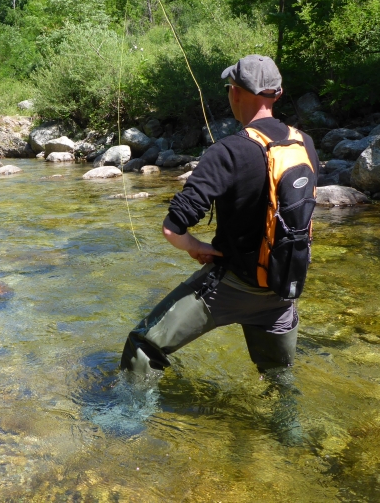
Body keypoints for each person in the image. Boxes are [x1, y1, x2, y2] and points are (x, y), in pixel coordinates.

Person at [119, 55, 318, 441]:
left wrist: (196, 248)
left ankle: (130, 423)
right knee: (277, 374)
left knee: (143, 346)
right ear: (276, 94)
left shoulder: (228, 151)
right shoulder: (304, 143)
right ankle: (289, 432)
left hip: (230, 287)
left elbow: (173, 227)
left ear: (238, 94)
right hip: (283, 289)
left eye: (231, 88)